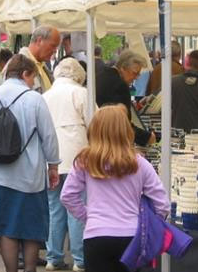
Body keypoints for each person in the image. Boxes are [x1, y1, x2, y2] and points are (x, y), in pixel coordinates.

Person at [0, 54, 60, 272]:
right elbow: (49, 136)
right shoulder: (35, 99)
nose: (33, 83)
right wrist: (53, 166)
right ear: (25, 74)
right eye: (33, 78)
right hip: (30, 174)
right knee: (30, 227)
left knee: (5, 227)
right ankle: (29, 268)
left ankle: (11, 270)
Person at [60, 105, 170, 272]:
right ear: (127, 130)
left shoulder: (85, 161)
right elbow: (162, 204)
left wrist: (88, 216)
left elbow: (67, 196)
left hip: (96, 236)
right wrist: (149, 224)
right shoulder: (139, 163)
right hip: (132, 236)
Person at [42, 58, 92, 272]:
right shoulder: (82, 93)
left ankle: (53, 258)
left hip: (50, 158)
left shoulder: (45, 96)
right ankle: (80, 260)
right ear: (79, 75)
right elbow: (95, 124)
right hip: (77, 157)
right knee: (77, 207)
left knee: (54, 208)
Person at [20, 26, 62, 92]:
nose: (55, 51)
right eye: (53, 46)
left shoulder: (41, 65)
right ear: (39, 41)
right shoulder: (19, 65)